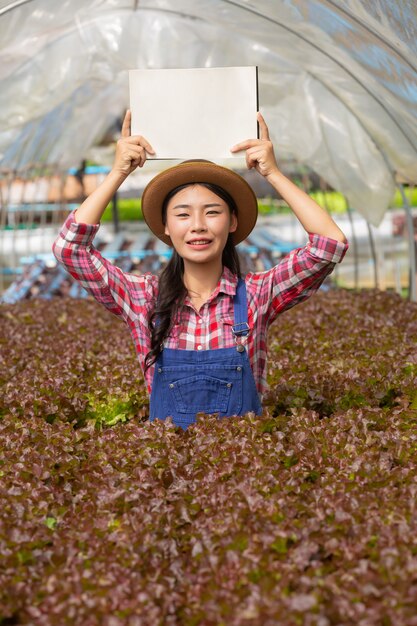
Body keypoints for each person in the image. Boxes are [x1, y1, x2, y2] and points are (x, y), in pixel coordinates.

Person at [52, 109, 349, 430]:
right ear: (165, 225)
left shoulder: (257, 294)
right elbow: (70, 248)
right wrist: (117, 173)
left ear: (232, 221)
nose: (197, 226)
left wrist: (272, 173)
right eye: (182, 214)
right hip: (170, 472)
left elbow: (329, 244)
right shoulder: (143, 298)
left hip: (243, 467)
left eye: (212, 212)